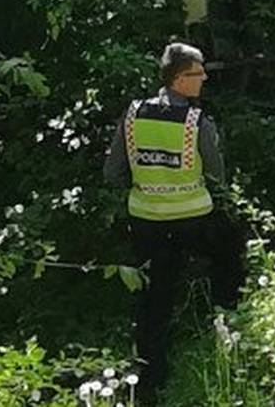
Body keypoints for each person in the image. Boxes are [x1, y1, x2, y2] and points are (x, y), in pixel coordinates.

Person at [104, 42, 245, 398]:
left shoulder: (133, 115)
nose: (205, 78)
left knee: (154, 300)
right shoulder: (196, 122)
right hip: (194, 220)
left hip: (147, 222)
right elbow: (217, 175)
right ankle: (228, 323)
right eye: (198, 73)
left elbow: (113, 173)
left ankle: (150, 383)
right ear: (180, 79)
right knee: (230, 255)